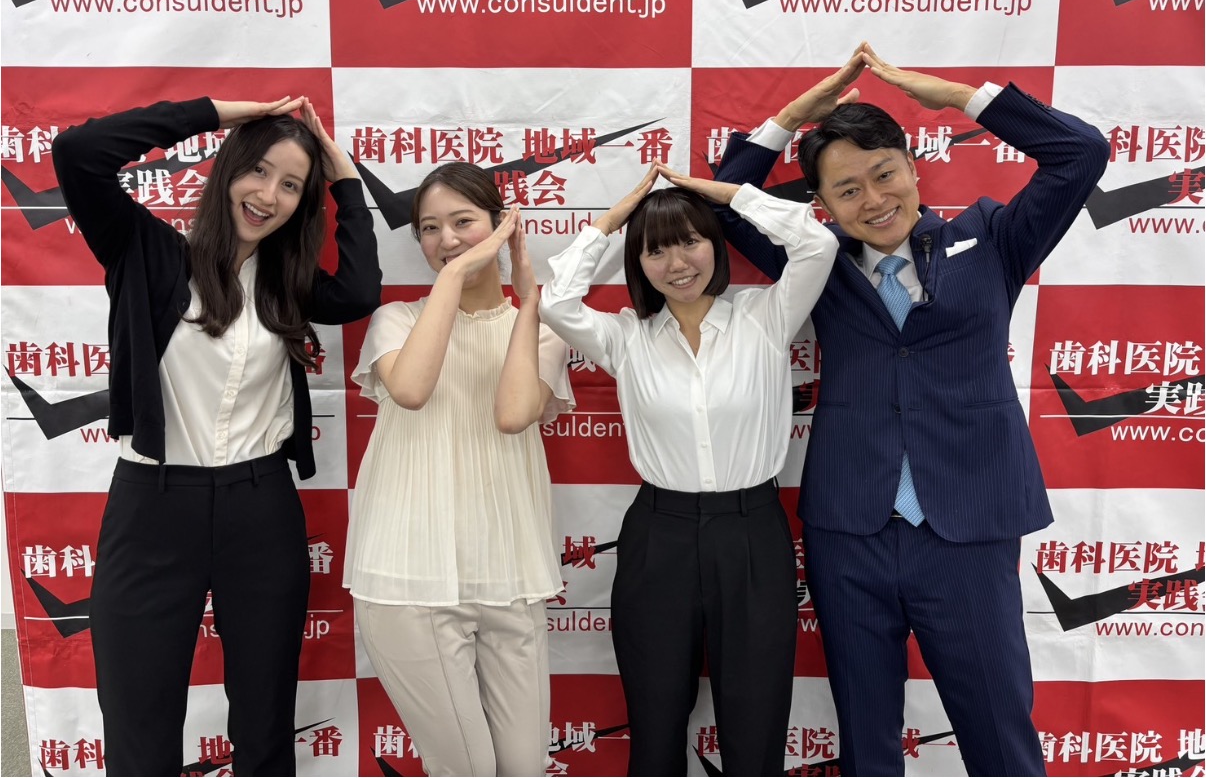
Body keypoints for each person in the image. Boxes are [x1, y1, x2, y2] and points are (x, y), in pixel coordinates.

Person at [712, 42, 1111, 776]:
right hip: (850, 533)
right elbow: (721, 202)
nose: (873, 199)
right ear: (822, 205)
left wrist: (959, 97)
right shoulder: (815, 261)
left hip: (969, 529)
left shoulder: (991, 239)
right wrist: (792, 116)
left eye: (884, 174)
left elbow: (1080, 153)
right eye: (847, 190)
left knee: (999, 735)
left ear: (913, 167)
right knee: (867, 742)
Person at [52, 94, 382, 775]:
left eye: (291, 185)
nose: (268, 195)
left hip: (260, 510)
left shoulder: (288, 282)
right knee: (139, 731)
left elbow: (358, 291)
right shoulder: (145, 249)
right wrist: (219, 114)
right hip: (151, 510)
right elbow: (79, 153)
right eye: (258, 171)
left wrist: (343, 178)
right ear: (229, 168)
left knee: (264, 729)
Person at [539, 156, 839, 775]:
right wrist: (613, 221)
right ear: (639, 262)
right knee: (655, 722)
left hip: (753, 532)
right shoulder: (626, 336)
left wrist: (725, 194)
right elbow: (557, 300)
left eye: (690, 241)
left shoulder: (765, 316)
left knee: (756, 724)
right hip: (660, 534)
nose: (677, 263)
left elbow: (817, 243)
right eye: (656, 250)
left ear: (715, 244)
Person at [345, 162, 575, 777]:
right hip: (409, 577)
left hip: (509, 575)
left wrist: (529, 303)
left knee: (524, 769)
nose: (445, 239)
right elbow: (412, 390)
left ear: (502, 226)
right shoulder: (397, 320)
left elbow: (513, 414)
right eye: (429, 228)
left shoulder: (539, 330)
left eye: (463, 222)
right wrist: (455, 274)